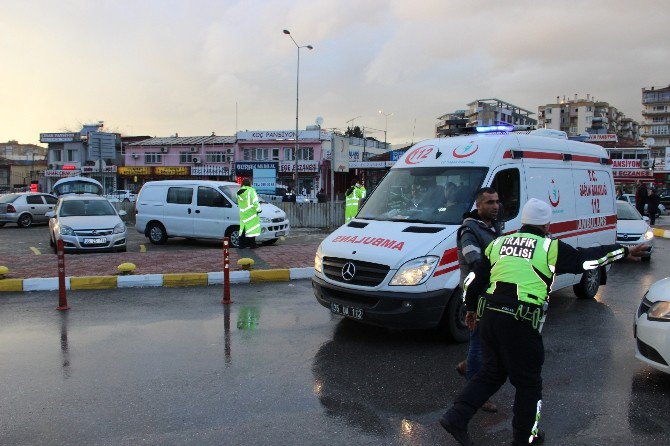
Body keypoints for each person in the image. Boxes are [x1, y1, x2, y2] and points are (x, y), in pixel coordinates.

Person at [440, 198, 649, 446]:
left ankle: (456, 417)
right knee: (528, 385)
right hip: (520, 322)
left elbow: (474, 280)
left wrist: (472, 309)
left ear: (525, 221)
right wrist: (623, 251)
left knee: (492, 373)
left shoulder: (498, 244)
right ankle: (525, 438)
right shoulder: (549, 247)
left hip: (490, 319)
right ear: (547, 224)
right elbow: (587, 259)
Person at [454, 187, 502, 414]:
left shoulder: (492, 227)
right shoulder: (469, 230)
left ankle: (467, 367)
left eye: (497, 202)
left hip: (490, 292)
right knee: (478, 344)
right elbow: (474, 260)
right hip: (476, 294)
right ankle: (476, 394)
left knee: (485, 341)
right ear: (479, 205)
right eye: (490, 202)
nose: (495, 206)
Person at [236, 179, 261, 249]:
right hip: (251, 213)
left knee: (243, 229)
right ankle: (252, 244)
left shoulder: (238, 192)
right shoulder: (251, 191)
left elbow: (239, 202)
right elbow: (255, 202)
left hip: (243, 213)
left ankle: (241, 245)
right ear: (249, 184)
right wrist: (259, 210)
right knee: (252, 229)